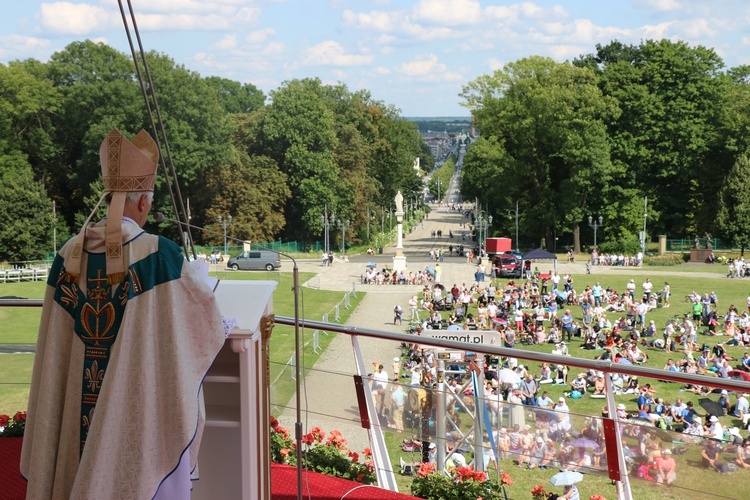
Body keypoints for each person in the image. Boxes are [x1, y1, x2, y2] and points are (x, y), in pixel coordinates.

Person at [20, 129, 226, 499]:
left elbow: (55, 353)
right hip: (136, 410)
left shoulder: (67, 255)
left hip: (73, 415)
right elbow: (201, 316)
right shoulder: (158, 254)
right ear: (144, 203)